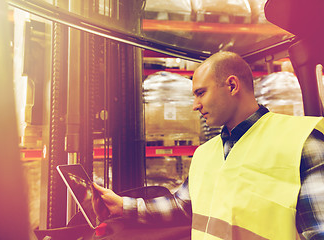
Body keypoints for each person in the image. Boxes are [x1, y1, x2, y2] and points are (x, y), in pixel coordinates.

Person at [92, 51, 324, 240]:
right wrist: (122, 206)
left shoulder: (302, 141)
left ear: (232, 86)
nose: (195, 105)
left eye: (200, 93)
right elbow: (183, 206)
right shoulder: (205, 153)